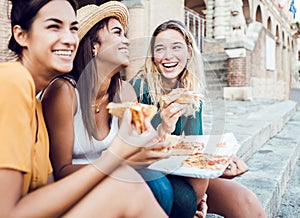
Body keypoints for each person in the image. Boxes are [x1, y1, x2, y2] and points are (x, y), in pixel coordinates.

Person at [0, 0, 167, 217]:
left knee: (132, 185)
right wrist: (116, 158)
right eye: (53, 26)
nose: (70, 39)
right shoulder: (13, 81)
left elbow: (49, 189)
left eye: (73, 29)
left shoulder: (37, 106)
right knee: (130, 186)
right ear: (21, 35)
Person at [131, 19, 266, 218]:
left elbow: (193, 149)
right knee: (186, 199)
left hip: (180, 171)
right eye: (160, 49)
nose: (168, 56)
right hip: (149, 173)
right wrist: (164, 126)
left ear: (189, 52)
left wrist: (217, 164)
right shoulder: (139, 89)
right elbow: (135, 152)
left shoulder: (192, 94)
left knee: (247, 203)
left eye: (176, 47)